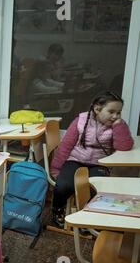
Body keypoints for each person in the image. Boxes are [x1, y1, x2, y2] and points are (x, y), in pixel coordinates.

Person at [50, 91, 134, 227]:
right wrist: (56, 168)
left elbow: (124, 146)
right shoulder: (80, 121)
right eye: (111, 112)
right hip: (75, 160)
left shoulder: (118, 125)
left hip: (99, 164)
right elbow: (65, 146)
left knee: (94, 189)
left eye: (118, 113)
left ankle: (88, 216)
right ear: (97, 109)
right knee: (64, 185)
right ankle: (57, 209)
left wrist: (119, 125)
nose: (115, 116)